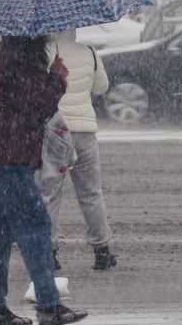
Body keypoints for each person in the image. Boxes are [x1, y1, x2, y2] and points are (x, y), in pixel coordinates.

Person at [0, 35, 88, 325]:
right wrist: (57, 79)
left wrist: (49, 75)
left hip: (1, 153)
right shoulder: (21, 57)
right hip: (10, 156)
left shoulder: (7, 54)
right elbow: (37, 103)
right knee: (35, 224)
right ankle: (49, 304)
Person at [38, 29, 117, 271]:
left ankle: (49, 253)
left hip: (56, 130)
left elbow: (39, 88)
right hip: (84, 130)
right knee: (91, 193)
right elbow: (101, 87)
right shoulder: (90, 52)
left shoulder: (48, 51)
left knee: (50, 192)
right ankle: (102, 250)